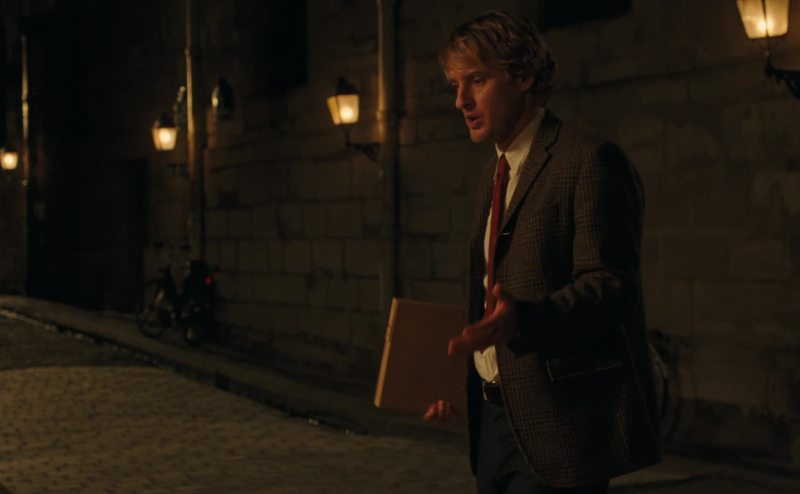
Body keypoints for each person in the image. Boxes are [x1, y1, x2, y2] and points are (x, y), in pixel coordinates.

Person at [423, 11, 662, 494]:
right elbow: (489, 298)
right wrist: (456, 381)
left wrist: (526, 319)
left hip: (560, 424)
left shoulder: (588, 158)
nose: (460, 101)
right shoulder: (493, 175)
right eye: (455, 85)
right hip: (492, 425)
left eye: (476, 81)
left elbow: (612, 287)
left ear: (524, 75)